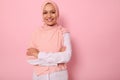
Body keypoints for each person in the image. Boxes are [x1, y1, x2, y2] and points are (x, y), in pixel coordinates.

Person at [26, 0, 72, 80]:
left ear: (57, 13)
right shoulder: (36, 33)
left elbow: (66, 56)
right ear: (42, 14)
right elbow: (30, 59)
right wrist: (57, 59)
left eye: (52, 12)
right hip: (39, 76)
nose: (49, 16)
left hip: (59, 76)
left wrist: (39, 55)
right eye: (45, 12)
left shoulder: (63, 32)